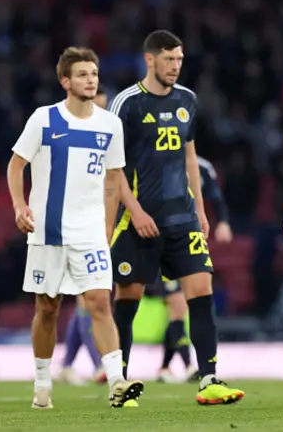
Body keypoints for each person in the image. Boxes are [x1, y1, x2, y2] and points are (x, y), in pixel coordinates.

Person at [108, 29, 243, 406]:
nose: (176, 66)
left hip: (182, 219)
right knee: (128, 300)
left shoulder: (188, 100)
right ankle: (119, 383)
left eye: (180, 60)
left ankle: (209, 378)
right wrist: (134, 212)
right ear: (150, 59)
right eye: (169, 59)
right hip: (139, 221)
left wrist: (200, 209)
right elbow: (113, 167)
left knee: (201, 293)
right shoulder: (128, 103)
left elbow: (189, 159)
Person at [6, 47, 144, 408]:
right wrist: (20, 206)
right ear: (65, 81)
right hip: (47, 230)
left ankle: (116, 381)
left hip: (90, 233)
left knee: (99, 301)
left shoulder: (110, 124)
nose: (91, 80)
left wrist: (107, 227)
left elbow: (114, 180)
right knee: (48, 308)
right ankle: (42, 385)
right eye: (83, 74)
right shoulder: (43, 119)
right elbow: (16, 165)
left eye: (94, 73)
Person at [157, 155, 233, 384]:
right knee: (178, 308)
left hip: (187, 241)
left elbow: (217, 199)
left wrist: (223, 222)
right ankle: (189, 365)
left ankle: (165, 367)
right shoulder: (157, 161)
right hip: (160, 241)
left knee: (177, 313)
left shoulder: (202, 167)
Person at [59, 88, 110, 387]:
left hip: (99, 224)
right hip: (76, 225)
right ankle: (99, 365)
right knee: (88, 296)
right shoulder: (72, 140)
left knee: (89, 297)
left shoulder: (108, 142)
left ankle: (67, 365)